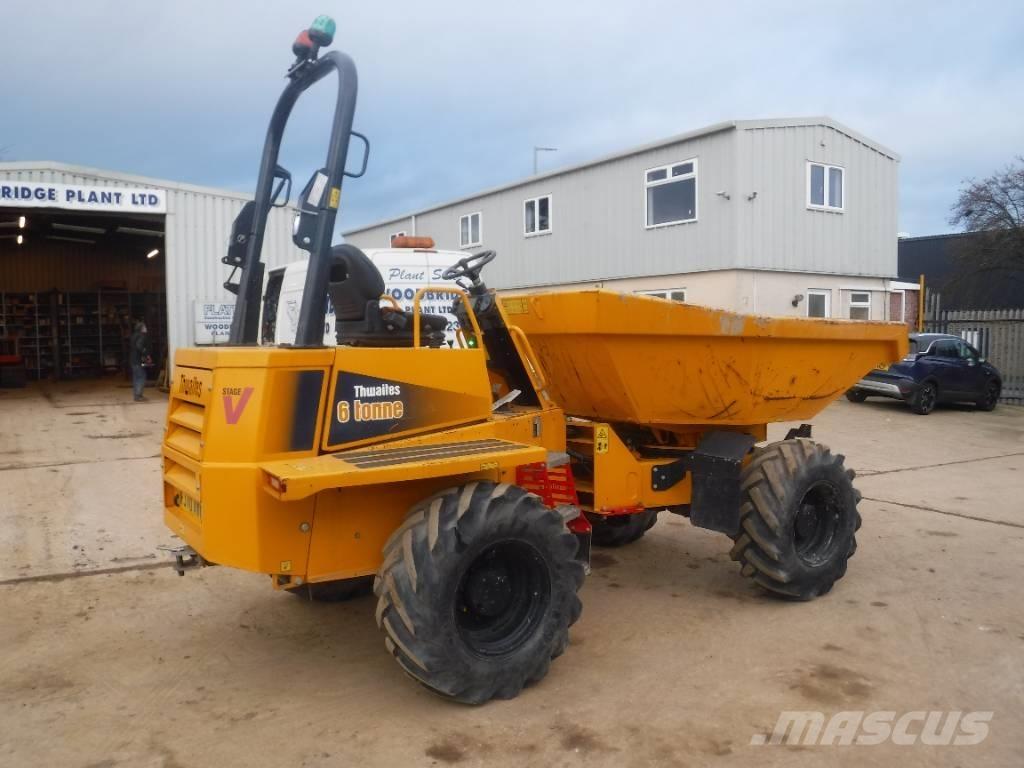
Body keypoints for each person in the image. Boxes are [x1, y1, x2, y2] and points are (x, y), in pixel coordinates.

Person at [129, 321, 152, 402]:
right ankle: (139, 396)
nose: (146, 328)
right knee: (142, 377)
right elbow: (139, 346)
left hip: (133, 360)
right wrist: (146, 355)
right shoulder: (142, 336)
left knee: (136, 378)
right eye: (145, 327)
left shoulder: (134, 336)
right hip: (137, 360)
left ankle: (137, 395)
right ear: (141, 329)